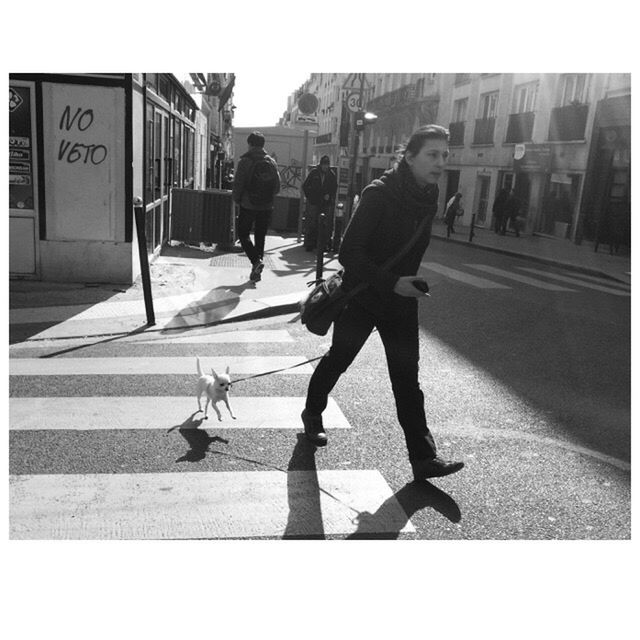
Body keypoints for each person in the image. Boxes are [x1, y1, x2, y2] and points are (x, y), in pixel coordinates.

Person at [300, 124, 465, 481]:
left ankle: (423, 458)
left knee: (407, 380)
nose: (441, 162)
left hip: (401, 303)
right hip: (364, 297)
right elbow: (348, 253)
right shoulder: (379, 194)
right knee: (338, 360)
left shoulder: (429, 195)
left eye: (445, 156)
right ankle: (313, 414)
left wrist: (413, 282)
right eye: (432, 155)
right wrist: (393, 282)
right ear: (409, 157)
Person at [232, 131, 281, 282]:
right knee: (260, 238)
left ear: (251, 144)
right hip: (266, 206)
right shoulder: (271, 162)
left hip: (248, 204)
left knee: (243, 234)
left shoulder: (245, 161)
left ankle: (255, 262)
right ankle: (256, 272)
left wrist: (237, 199)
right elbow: (278, 187)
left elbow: (239, 183)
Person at [302, 155, 338, 251]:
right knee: (312, 223)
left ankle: (322, 245)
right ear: (321, 164)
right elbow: (305, 185)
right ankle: (310, 244)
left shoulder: (331, 175)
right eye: (324, 165)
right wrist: (310, 197)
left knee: (323, 224)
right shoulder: (314, 172)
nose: (325, 167)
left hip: (325, 204)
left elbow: (334, 188)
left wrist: (329, 196)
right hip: (314, 202)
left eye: (327, 165)